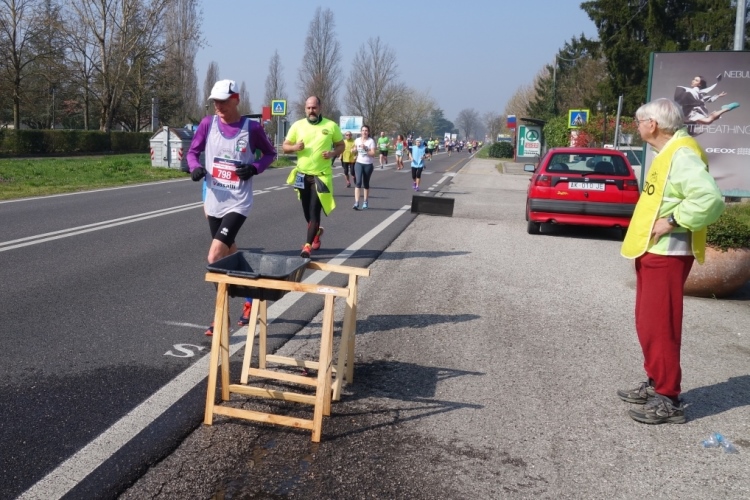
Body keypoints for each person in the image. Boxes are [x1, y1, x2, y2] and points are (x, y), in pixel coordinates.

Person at [619, 98, 724, 424]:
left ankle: (669, 399)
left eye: (639, 121)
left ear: (653, 124)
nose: (637, 127)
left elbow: (710, 199)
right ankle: (656, 383)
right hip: (654, 252)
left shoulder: (681, 154)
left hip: (668, 254)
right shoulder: (669, 152)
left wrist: (672, 221)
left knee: (661, 326)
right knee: (648, 323)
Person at [187, 79, 277, 336]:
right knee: (230, 253)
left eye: (223, 101)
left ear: (236, 99)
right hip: (214, 201)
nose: (218, 106)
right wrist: (195, 168)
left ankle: (221, 315)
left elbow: (270, 154)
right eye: (215, 102)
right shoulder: (208, 124)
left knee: (215, 257)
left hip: (238, 201)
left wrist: (254, 168)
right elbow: (192, 152)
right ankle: (251, 299)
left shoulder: (252, 128)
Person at [282, 96, 344, 258]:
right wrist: (295, 147)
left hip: (321, 176)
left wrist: (332, 153)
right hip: (302, 175)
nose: (311, 111)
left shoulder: (330, 126)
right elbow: (285, 147)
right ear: (305, 109)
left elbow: (341, 145)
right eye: (309, 108)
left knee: (314, 210)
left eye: (314, 108)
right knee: (306, 212)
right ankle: (315, 234)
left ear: (320, 108)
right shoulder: (298, 125)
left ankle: (307, 247)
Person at [673, 75, 739, 135]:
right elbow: (705, 99)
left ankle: (726, 108)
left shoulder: (695, 91)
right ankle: (724, 109)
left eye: (696, 80)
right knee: (692, 129)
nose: (693, 81)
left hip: (693, 113)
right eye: (693, 79)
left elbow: (703, 98)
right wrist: (717, 96)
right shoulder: (695, 91)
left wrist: (717, 96)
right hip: (688, 113)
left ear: (700, 84)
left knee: (707, 121)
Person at [352, 124, 376, 210]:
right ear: (361, 132)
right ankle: (356, 203)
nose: (364, 132)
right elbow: (354, 149)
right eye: (363, 130)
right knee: (358, 182)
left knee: (366, 183)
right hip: (359, 163)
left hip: (368, 164)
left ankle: (365, 202)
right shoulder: (357, 140)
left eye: (366, 131)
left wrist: (365, 148)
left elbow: (373, 154)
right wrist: (353, 150)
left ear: (368, 132)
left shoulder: (371, 141)